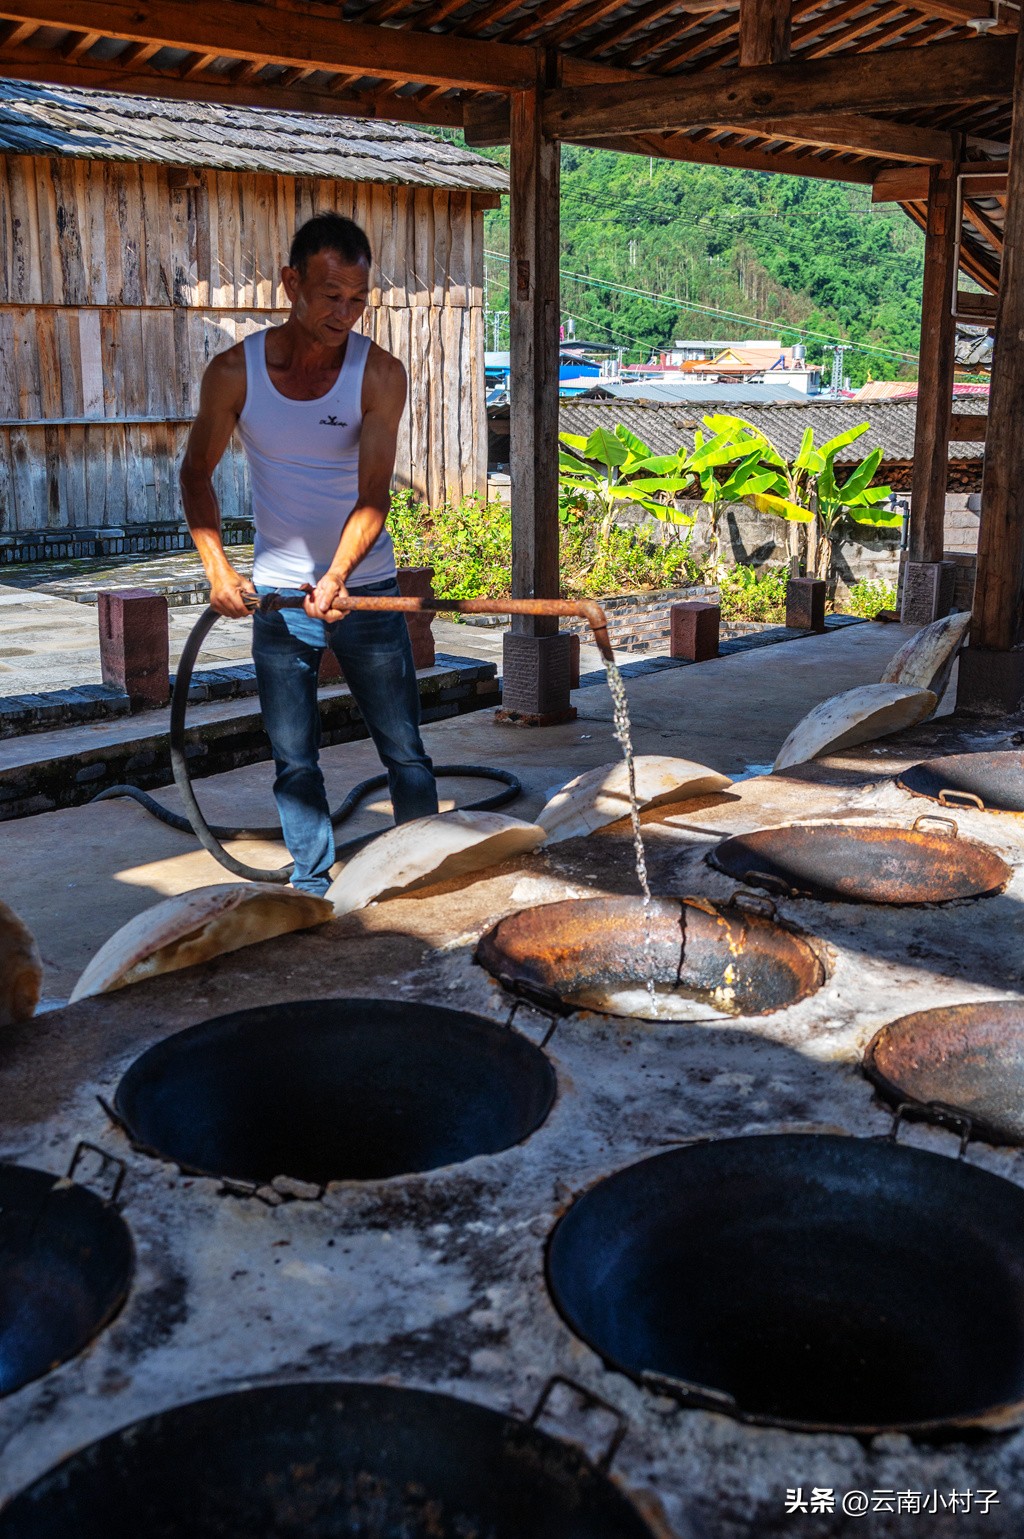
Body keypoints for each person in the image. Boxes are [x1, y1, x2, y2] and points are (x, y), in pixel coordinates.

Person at [180, 212, 438, 896]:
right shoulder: (234, 372)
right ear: (292, 282)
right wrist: (217, 569)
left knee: (405, 750)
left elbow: (374, 497)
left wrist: (338, 577)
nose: (345, 313)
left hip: (366, 593)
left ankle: (425, 873)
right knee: (294, 759)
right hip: (276, 599)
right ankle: (312, 882)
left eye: (358, 299)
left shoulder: (379, 374)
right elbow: (194, 475)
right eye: (330, 296)